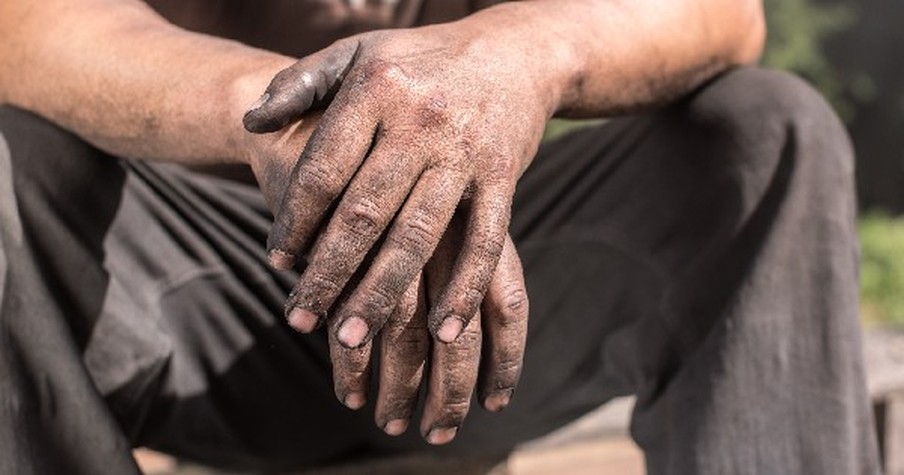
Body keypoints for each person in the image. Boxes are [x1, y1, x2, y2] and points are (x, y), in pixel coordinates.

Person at [0, 0, 881, 473]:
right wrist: (282, 119)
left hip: (486, 318)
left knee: (768, 132)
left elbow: (724, 11)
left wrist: (512, 59)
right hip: (195, 293)